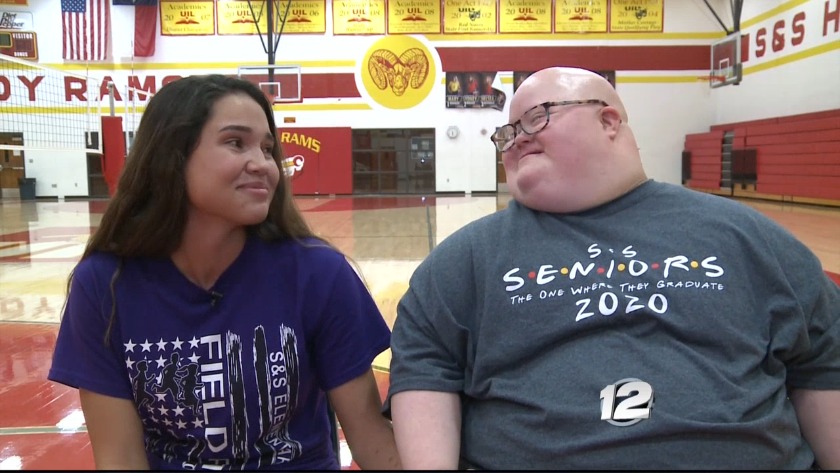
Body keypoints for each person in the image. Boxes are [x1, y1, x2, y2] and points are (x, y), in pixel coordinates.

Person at [386, 67, 840, 469]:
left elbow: (824, 361)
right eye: (508, 132)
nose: (518, 137)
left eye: (536, 117)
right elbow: (426, 371)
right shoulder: (465, 258)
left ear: (608, 120)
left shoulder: (746, 236)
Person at [48, 75, 401, 471]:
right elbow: (120, 458)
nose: (263, 164)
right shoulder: (103, 286)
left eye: (267, 149)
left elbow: (371, 438)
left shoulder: (319, 273)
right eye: (236, 142)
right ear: (173, 155)